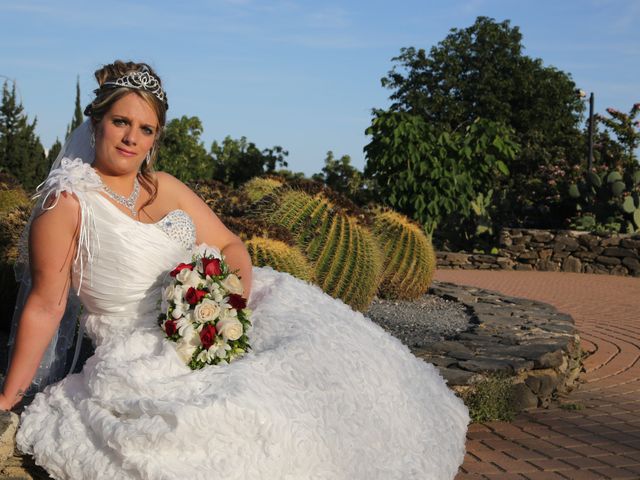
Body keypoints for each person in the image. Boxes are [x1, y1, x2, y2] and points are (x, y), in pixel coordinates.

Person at [1, 61, 469, 479]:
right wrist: (8, 397)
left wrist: (230, 300)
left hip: (222, 309)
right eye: (121, 122)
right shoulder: (66, 204)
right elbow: (47, 304)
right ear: (96, 122)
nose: (131, 138)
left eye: (145, 129)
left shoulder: (166, 186)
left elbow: (229, 244)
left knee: (341, 363)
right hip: (146, 347)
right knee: (253, 411)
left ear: (156, 137)